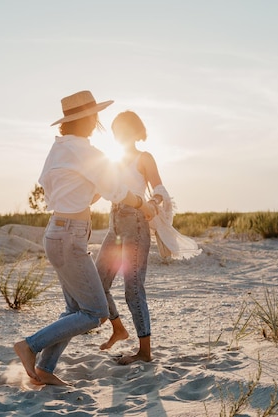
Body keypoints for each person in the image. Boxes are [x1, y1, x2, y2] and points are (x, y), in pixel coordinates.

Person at [13, 91, 156, 386]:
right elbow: (116, 191)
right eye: (94, 116)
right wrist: (144, 204)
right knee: (95, 314)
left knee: (74, 309)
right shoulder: (88, 153)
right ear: (88, 119)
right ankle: (30, 346)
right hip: (70, 236)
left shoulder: (59, 149)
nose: (97, 121)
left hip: (55, 231)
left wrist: (84, 192)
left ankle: (45, 369)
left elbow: (58, 188)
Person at [94, 110, 162, 365]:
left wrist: (152, 203)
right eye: (115, 131)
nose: (118, 135)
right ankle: (118, 329)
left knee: (133, 289)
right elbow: (102, 190)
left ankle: (144, 352)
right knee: (99, 284)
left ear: (135, 131)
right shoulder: (111, 161)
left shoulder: (144, 158)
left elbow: (160, 189)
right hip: (114, 224)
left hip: (135, 223)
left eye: (122, 130)